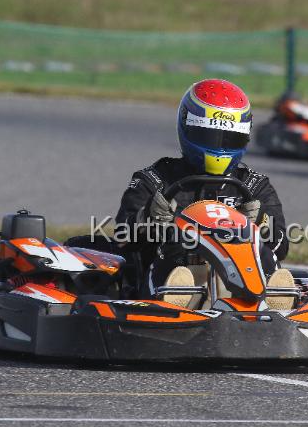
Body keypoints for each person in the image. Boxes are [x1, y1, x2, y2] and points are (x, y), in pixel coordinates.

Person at [114, 79, 292, 307]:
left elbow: (281, 247)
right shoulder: (155, 179)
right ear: (188, 127)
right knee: (177, 242)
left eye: (230, 139)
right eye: (209, 137)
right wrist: (147, 218)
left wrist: (262, 223)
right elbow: (122, 238)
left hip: (241, 288)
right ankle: (179, 294)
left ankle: (277, 294)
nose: (219, 147)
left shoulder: (254, 186)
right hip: (167, 280)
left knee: (256, 245)